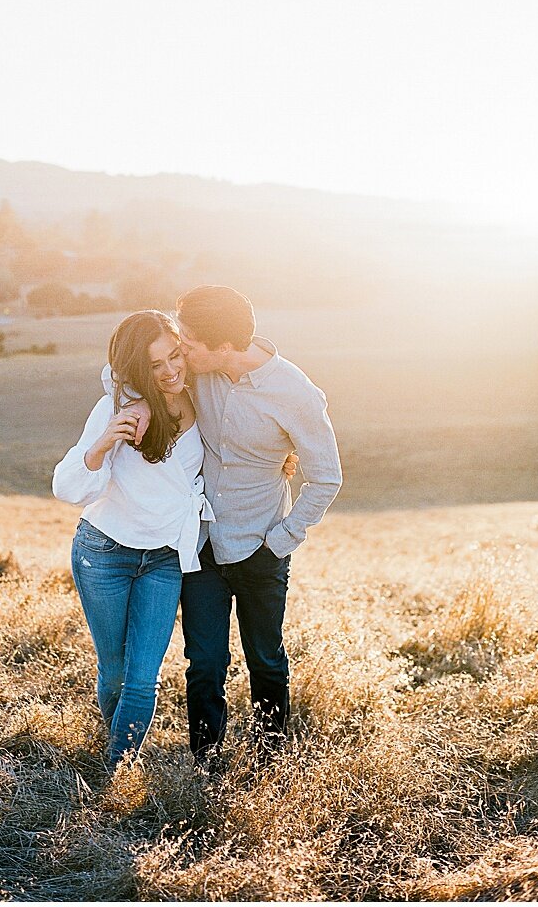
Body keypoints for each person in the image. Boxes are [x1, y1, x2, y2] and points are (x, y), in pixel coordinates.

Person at [172, 285, 341, 769]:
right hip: (202, 543)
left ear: (226, 346)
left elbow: (327, 477)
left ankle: (270, 765)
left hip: (260, 548)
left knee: (265, 660)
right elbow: (128, 372)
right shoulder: (197, 371)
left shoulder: (295, 394)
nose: (183, 347)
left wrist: (281, 541)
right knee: (204, 664)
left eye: (190, 340)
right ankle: (204, 765)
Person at [52, 310, 211, 770]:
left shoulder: (201, 396)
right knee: (116, 671)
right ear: (138, 372)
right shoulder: (116, 410)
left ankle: (116, 769)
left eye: (174, 356)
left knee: (143, 679)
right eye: (155, 366)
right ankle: (113, 754)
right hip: (105, 553)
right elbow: (66, 487)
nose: (170, 371)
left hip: (163, 559)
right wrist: (102, 445)